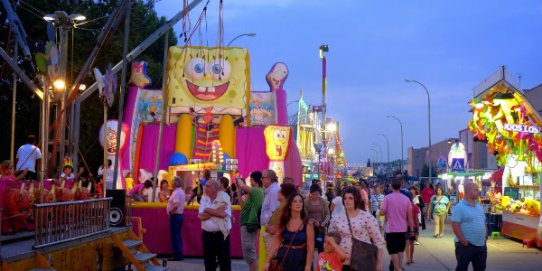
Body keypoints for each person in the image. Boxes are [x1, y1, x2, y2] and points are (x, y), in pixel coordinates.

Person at [329, 187, 384, 271]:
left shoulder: (367, 217)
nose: (347, 200)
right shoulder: (337, 218)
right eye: (345, 198)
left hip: (362, 261)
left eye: (350, 198)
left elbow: (377, 241)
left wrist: (379, 263)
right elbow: (331, 239)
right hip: (341, 261)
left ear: (357, 199)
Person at [265, 193, 314, 271]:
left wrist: (308, 266)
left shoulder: (307, 223)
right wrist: (267, 261)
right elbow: (276, 242)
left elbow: (310, 247)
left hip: (301, 259)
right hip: (284, 258)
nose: (298, 204)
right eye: (295, 201)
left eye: (300, 201)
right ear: (290, 205)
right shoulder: (284, 222)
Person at [380, 178, 415, 271]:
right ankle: (398, 266)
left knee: (392, 250)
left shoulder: (387, 198)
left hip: (391, 229)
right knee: (400, 249)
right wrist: (411, 230)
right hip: (402, 229)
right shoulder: (406, 199)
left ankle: (397, 268)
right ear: (401, 186)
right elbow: (410, 216)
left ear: (391, 186)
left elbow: (382, 212)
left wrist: (383, 209)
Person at [452, 182, 487, 271]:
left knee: (480, 268)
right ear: (468, 191)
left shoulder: (479, 206)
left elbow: (483, 221)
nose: (478, 191)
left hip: (481, 245)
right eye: (475, 190)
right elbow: (455, 224)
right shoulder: (460, 207)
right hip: (466, 245)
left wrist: (485, 234)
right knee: (462, 268)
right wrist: (462, 239)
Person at [198, 179, 232, 271]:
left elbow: (223, 214)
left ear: (215, 188)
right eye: (205, 186)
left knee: (224, 263)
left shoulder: (224, 197)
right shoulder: (204, 199)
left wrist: (208, 210)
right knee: (209, 263)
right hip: (207, 235)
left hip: (221, 235)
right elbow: (201, 216)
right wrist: (217, 210)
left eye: (208, 186)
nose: (205, 188)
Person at [237, 172, 264, 271]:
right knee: (248, 251)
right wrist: (239, 193)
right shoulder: (253, 193)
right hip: (247, 222)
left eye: (251, 179)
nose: (250, 181)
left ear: (254, 180)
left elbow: (242, 185)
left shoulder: (257, 191)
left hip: (249, 223)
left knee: (249, 251)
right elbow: (243, 207)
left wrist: (238, 178)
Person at [304, 184, 330, 253]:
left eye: (317, 194)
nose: (315, 196)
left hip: (321, 229)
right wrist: (311, 220)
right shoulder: (306, 202)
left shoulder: (323, 201)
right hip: (310, 228)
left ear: (319, 193)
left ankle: (323, 264)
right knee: (310, 248)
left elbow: (328, 214)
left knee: (322, 248)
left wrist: (324, 222)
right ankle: (310, 263)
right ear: (310, 193)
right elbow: (304, 215)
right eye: (313, 194)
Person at [261, 169, 281, 253]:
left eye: (263, 178)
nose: (261, 180)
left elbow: (275, 212)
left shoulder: (274, 191)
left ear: (269, 178)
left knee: (271, 258)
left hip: (271, 228)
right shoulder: (271, 190)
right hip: (268, 227)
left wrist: (269, 226)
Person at [167, 176, 186, 261]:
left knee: (175, 236)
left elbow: (176, 205)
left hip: (175, 216)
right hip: (178, 216)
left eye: (172, 182)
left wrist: (170, 212)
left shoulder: (176, 193)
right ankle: (178, 254)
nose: (171, 183)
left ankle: (176, 255)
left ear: (175, 183)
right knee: (177, 236)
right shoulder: (180, 191)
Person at [405, 194, 420, 265]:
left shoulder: (404, 207)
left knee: (407, 243)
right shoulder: (415, 207)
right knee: (412, 243)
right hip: (413, 226)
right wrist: (417, 228)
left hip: (405, 226)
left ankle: (408, 258)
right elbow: (416, 218)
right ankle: (411, 258)